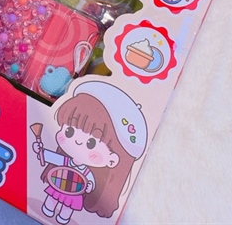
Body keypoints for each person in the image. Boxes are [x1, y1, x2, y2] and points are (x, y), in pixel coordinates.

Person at [32, 81, 147, 223]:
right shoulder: (66, 160)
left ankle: (63, 217)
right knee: (52, 198)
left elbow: (90, 183)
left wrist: (88, 186)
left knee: (68, 207)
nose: (78, 141)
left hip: (75, 191)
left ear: (112, 160)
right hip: (59, 183)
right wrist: (41, 151)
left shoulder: (87, 173)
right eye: (69, 131)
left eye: (91, 143)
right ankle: (48, 208)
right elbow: (51, 157)